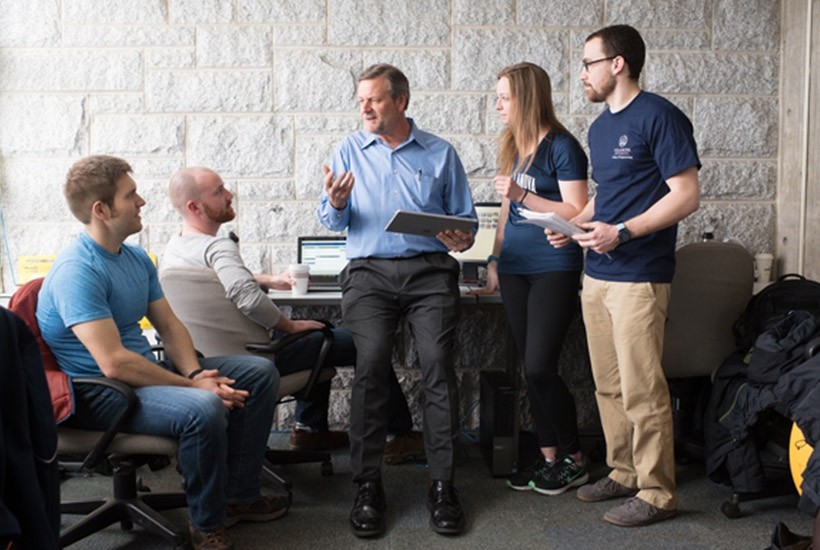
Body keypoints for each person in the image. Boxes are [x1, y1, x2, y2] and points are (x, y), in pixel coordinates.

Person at [37, 155, 285, 550]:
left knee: (258, 372)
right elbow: (113, 362)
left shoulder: (136, 258)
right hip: (98, 392)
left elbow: (169, 326)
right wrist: (195, 390)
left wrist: (192, 375)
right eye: (130, 195)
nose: (142, 202)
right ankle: (207, 524)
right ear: (101, 210)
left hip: (140, 376)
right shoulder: (77, 271)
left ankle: (238, 496)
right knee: (202, 409)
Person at [548, 24, 700, 527]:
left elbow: (685, 195)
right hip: (597, 274)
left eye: (589, 64)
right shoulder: (600, 127)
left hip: (640, 274)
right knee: (608, 385)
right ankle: (625, 470)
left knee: (642, 387)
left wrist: (624, 234)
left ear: (618, 64)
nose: (582, 74)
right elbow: (606, 199)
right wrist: (574, 225)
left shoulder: (661, 117)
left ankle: (658, 492)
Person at [163, 166, 423, 458]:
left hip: (210, 360)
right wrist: (288, 326)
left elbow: (217, 278)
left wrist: (266, 279)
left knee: (319, 330)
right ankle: (399, 432)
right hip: (259, 358)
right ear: (194, 206)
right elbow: (244, 295)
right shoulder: (219, 247)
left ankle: (310, 430)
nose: (229, 195)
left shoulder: (176, 247)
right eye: (219, 191)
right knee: (364, 342)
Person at [317, 64, 476, 537]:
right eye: (361, 100)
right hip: (369, 275)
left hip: (430, 273)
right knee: (371, 365)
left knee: (437, 364)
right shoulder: (348, 149)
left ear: (401, 102)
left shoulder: (440, 153)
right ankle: (367, 485)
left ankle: (443, 484)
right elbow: (331, 220)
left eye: (375, 99)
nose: (364, 108)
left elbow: (465, 226)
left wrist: (458, 238)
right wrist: (337, 203)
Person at [472, 62, 590, 495]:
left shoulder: (562, 147)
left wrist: (523, 193)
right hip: (517, 267)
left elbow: (578, 209)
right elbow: (506, 213)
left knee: (541, 366)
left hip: (553, 267)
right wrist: (494, 260)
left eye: (505, 97)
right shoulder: (516, 147)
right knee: (529, 367)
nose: (498, 104)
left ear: (527, 98)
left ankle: (576, 457)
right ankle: (548, 460)